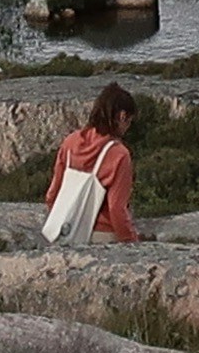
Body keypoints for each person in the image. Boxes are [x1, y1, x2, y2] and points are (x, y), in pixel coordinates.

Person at [45, 81, 142, 245]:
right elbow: (116, 209)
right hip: (103, 235)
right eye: (129, 122)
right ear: (122, 116)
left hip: (67, 231)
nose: (127, 128)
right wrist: (131, 242)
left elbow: (52, 195)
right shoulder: (119, 154)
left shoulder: (70, 142)